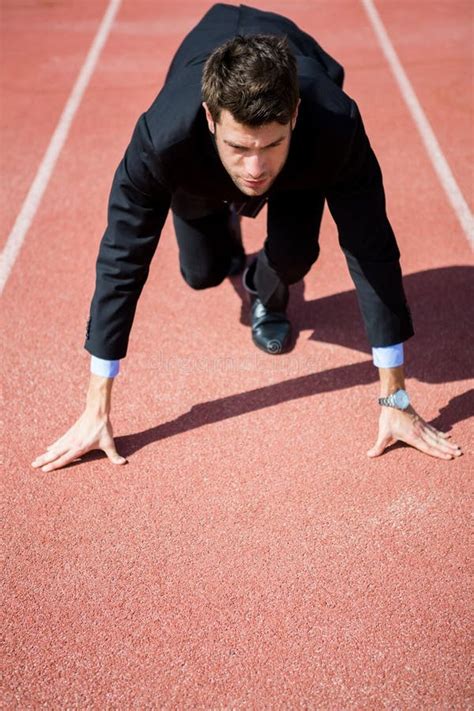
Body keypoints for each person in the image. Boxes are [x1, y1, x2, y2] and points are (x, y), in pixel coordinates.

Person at [32, 3, 462, 472]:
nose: (255, 168)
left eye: (269, 145)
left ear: (295, 115)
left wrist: (395, 396)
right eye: (240, 147)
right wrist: (98, 407)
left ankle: (264, 288)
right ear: (211, 119)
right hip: (199, 170)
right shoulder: (163, 140)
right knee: (203, 272)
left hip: (301, 163)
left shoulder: (334, 127)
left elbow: (371, 245)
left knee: (296, 257)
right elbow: (122, 257)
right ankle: (225, 216)